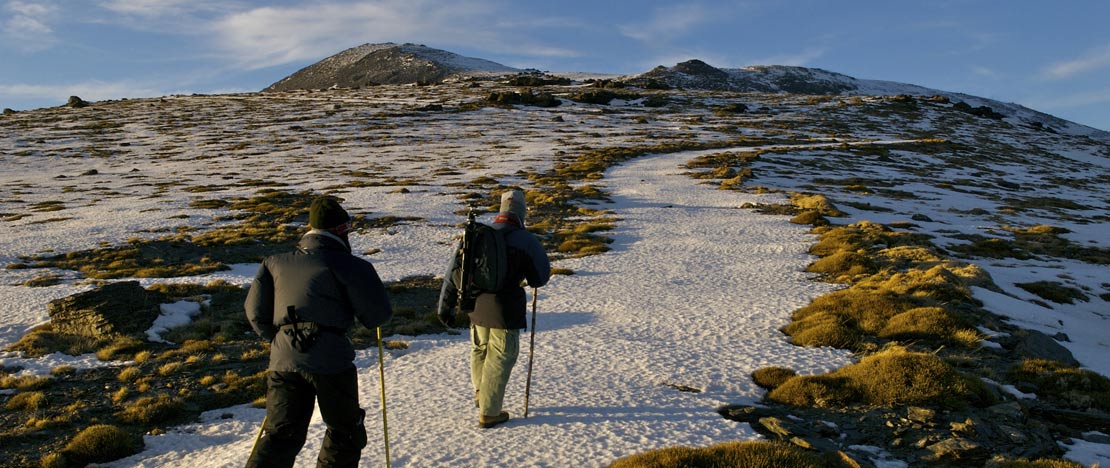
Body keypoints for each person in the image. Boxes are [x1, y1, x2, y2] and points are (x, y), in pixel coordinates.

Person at [244, 196, 393, 468]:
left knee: (281, 435)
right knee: (344, 431)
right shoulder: (351, 265)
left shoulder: (274, 262)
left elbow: (255, 313)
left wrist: (281, 341)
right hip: (331, 360)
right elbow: (377, 316)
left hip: (284, 360)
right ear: (340, 230)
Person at [437, 190, 551, 428]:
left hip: (475, 307)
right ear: (522, 212)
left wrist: (444, 307)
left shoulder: (477, 234)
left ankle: (482, 394)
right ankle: (489, 413)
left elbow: (453, 272)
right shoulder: (525, 240)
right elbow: (539, 278)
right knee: (500, 357)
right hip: (505, 312)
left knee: (481, 350)